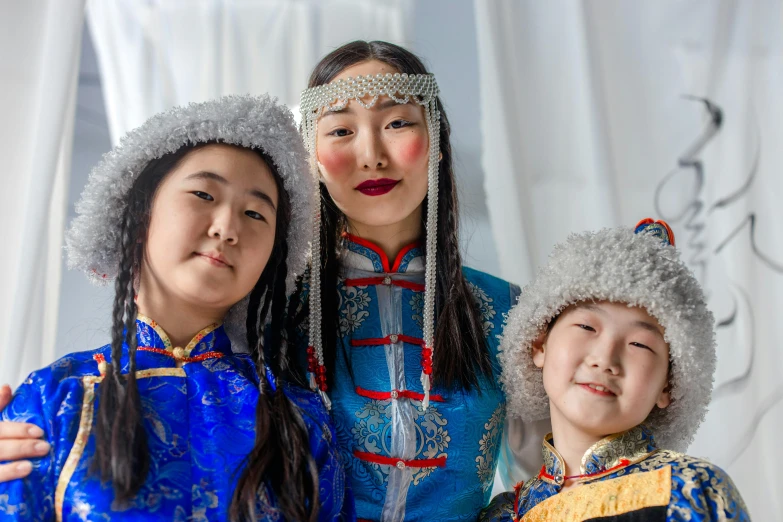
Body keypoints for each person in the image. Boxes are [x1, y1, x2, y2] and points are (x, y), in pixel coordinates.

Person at [0, 95, 351, 521]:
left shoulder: (299, 421)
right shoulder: (55, 398)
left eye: (256, 214)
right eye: (204, 193)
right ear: (139, 213)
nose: (227, 227)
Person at [289, 40, 541, 521]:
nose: (371, 155)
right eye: (340, 129)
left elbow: (549, 479)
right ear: (312, 158)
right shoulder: (274, 307)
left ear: (438, 142)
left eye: (397, 123)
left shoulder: (511, 310)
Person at [480, 219, 749, 521]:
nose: (605, 358)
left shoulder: (690, 490)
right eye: (586, 326)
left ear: (667, 386)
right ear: (539, 344)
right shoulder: (505, 515)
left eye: (639, 344)